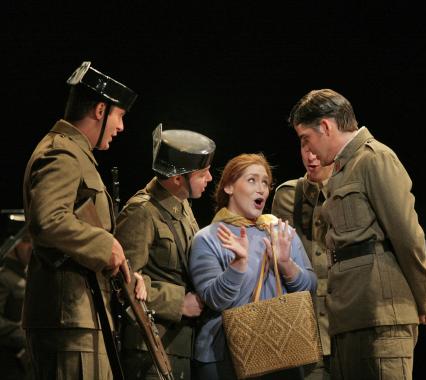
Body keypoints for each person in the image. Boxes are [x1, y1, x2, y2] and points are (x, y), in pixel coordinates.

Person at [289, 89, 426, 380]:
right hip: (350, 318)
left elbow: (407, 236)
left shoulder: (375, 158)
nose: (308, 149)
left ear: (325, 126)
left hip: (380, 318)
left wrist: (424, 298)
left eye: (306, 138)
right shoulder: (341, 172)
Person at [22, 61, 138, 379]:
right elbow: (48, 219)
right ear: (100, 110)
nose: (121, 127)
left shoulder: (76, 153)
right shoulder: (63, 153)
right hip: (67, 319)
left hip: (79, 315)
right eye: (120, 116)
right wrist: (106, 244)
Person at [189, 153, 317, 379]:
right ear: (229, 186)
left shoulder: (279, 231)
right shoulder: (208, 238)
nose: (261, 189)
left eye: (265, 182)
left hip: (283, 352)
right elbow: (215, 300)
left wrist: (286, 264)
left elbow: (309, 287)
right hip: (225, 359)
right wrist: (238, 264)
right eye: (252, 180)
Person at [115, 126, 216, 380]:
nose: (210, 178)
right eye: (202, 173)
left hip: (180, 344)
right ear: (177, 178)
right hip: (151, 350)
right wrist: (178, 302)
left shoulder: (182, 205)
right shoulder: (142, 212)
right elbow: (122, 282)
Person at [272, 144, 333, 379]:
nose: (310, 156)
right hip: (307, 334)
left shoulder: (352, 190)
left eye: (317, 148)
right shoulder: (288, 195)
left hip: (348, 325)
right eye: (304, 148)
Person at [0, 214, 33, 380]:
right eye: (26, 241)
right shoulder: (3, 277)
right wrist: (25, 335)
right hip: (8, 362)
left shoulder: (28, 276)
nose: (30, 247)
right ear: (14, 244)